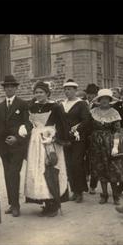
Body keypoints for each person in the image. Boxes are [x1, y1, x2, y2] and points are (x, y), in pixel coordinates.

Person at [20, 81, 70, 217]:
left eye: (41, 92)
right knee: (38, 171)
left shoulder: (56, 107)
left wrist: (54, 138)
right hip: (36, 141)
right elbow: (28, 122)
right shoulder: (31, 107)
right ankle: (46, 202)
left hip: (50, 140)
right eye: (36, 92)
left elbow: (63, 125)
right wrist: (25, 128)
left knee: (51, 168)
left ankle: (54, 203)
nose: (38, 95)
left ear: (47, 93)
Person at [0, 75, 31, 217]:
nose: (9, 89)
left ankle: (15, 205)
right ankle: (11, 203)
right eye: (6, 87)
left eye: (11, 87)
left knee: (14, 173)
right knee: (7, 175)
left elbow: (28, 124)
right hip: (3, 147)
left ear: (16, 88)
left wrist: (17, 137)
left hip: (17, 146)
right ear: (4, 89)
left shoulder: (23, 104)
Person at [90, 89, 123, 205]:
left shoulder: (114, 113)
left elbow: (117, 131)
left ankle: (115, 195)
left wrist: (115, 146)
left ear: (110, 100)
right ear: (99, 100)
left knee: (113, 169)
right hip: (96, 144)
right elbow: (88, 127)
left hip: (110, 143)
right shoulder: (93, 112)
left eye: (107, 99)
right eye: (102, 99)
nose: (104, 101)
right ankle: (104, 194)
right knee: (100, 168)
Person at [61, 79, 92, 203]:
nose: (67, 91)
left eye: (69, 89)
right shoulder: (62, 104)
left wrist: (76, 128)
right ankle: (73, 190)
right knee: (68, 164)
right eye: (65, 89)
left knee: (76, 163)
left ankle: (80, 191)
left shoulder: (81, 104)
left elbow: (86, 120)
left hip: (78, 138)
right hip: (65, 138)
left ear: (75, 90)